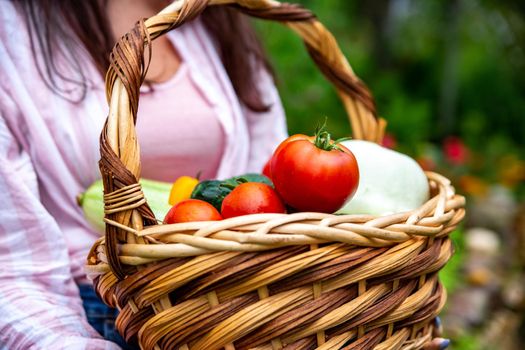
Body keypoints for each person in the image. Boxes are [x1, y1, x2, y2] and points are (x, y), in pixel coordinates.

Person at [0, 0, 286, 348]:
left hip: (239, 300)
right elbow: (11, 271)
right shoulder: (13, 26)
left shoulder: (215, 12)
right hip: (93, 313)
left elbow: (271, 185)